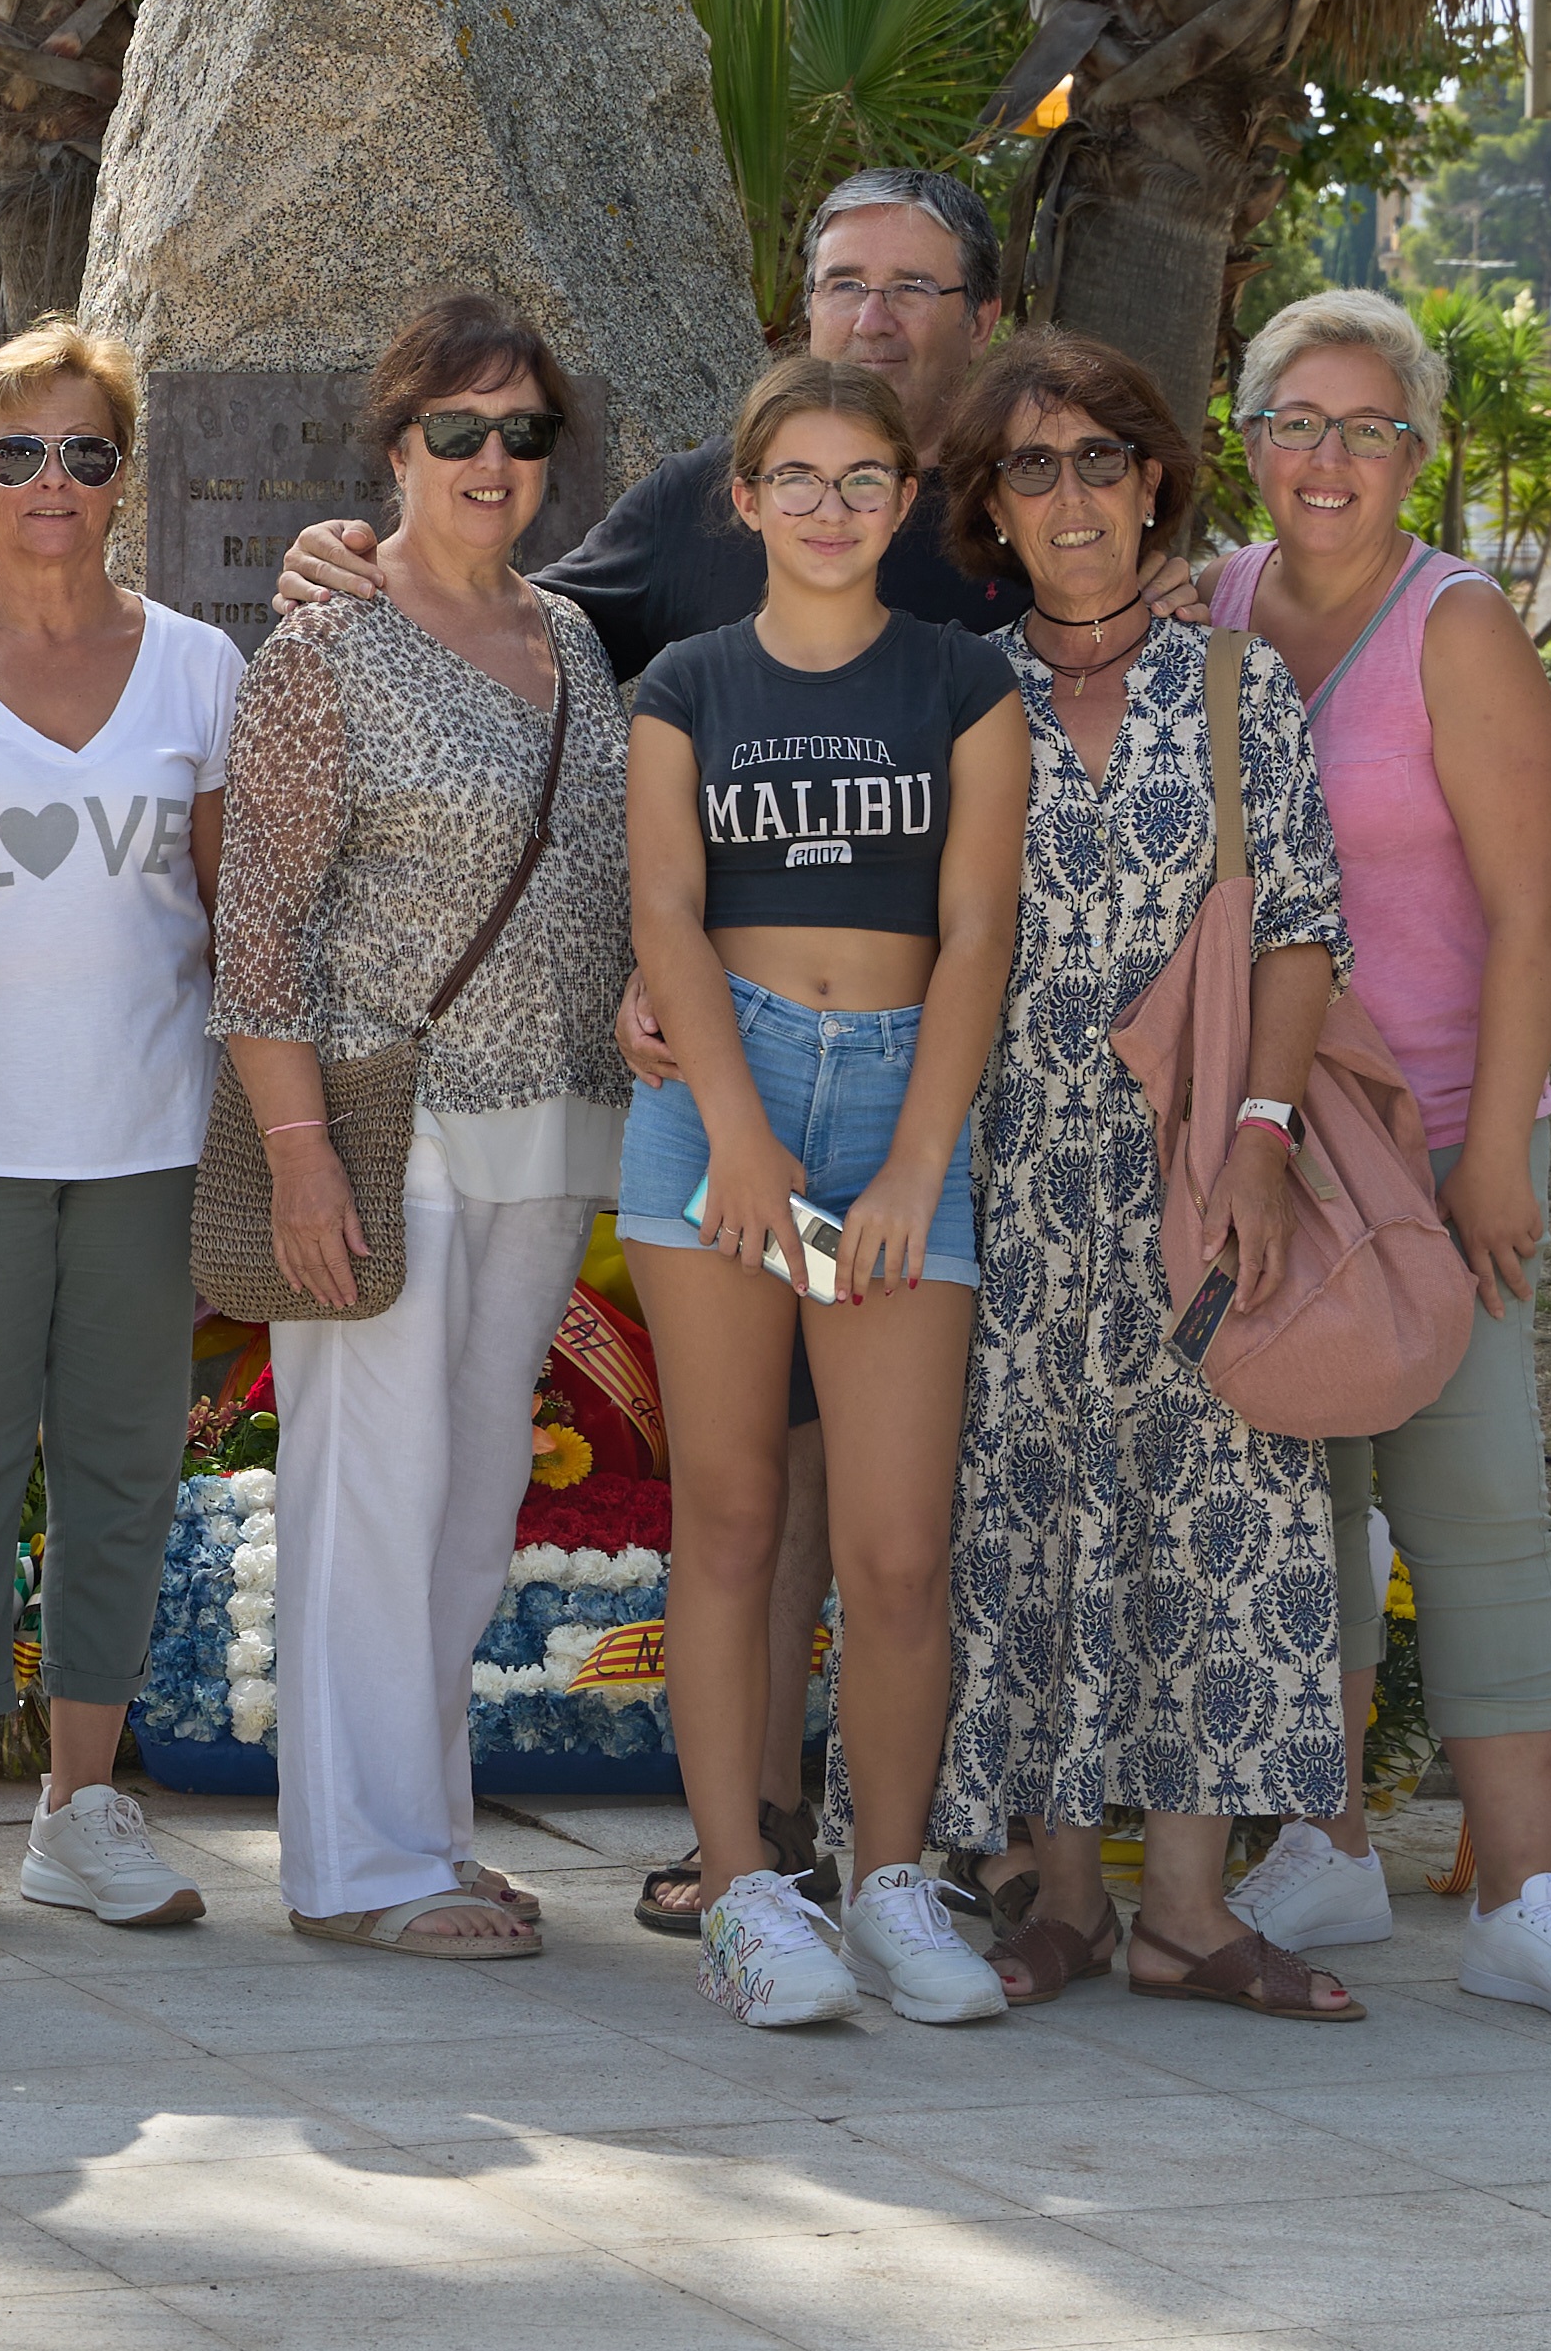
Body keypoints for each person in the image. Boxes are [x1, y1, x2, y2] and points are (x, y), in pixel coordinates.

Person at [274, 175, 1034, 1921]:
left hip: (932, 1079)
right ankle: (746, 1839)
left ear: (973, 321)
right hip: (712, 1093)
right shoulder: (688, 527)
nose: (875, 317)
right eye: (844, 281)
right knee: (738, 1498)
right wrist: (356, 561)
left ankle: (919, 1846)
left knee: (907, 1516)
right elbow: (556, 673)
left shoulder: (1006, 517)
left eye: (914, 289)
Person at [1205, 292, 1551, 2026]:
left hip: (1445, 1137)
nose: (1328, 461)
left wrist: (1495, 1156)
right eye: (1296, 425)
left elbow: (1531, 903)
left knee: (1469, 1505)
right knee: (1301, 1506)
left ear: (1415, 450)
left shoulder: (1453, 626)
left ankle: (1525, 1900)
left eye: (1366, 428)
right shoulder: (1211, 606)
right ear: (1245, 441)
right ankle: (1318, 1848)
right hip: (1278, 1138)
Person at [924, 331, 1362, 2018]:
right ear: (990, 507)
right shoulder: (959, 693)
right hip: (1013, 1170)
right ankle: (1055, 1890)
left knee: (1211, 1515)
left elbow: (1303, 926)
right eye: (1028, 469)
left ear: (1155, 480)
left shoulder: (1235, 683)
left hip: (1197, 1169)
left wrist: (1261, 1133)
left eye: (1097, 459)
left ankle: (1186, 1908)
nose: (1070, 498)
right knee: (1025, 1515)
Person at [207, 296, 637, 1960]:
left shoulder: (572, 642)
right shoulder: (323, 645)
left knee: (465, 1497)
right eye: (454, 431)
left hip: (549, 1125)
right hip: (384, 1125)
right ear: (393, 453)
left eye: (521, 433)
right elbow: (258, 929)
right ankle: (353, 1867)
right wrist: (299, 1152)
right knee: (362, 1489)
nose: (489, 461)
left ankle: (426, 1833)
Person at [621, 354, 1028, 2027]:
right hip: (729, 1119)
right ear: (744, 498)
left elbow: (980, 934)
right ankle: (741, 1894)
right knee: (727, 1516)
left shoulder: (962, 684)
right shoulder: (687, 687)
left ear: (905, 500)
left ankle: (890, 1882)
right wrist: (735, 1128)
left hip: (898, 1118)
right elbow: (662, 910)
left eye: (865, 478)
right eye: (797, 477)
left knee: (896, 1548)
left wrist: (910, 1165)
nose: (831, 507)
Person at [0, 316, 246, 1940]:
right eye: (18, 454)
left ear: (120, 475)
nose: (52, 483)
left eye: (85, 453)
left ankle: (81, 1808)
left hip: (146, 1139)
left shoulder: (197, 668)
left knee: (121, 1473)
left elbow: (231, 921)